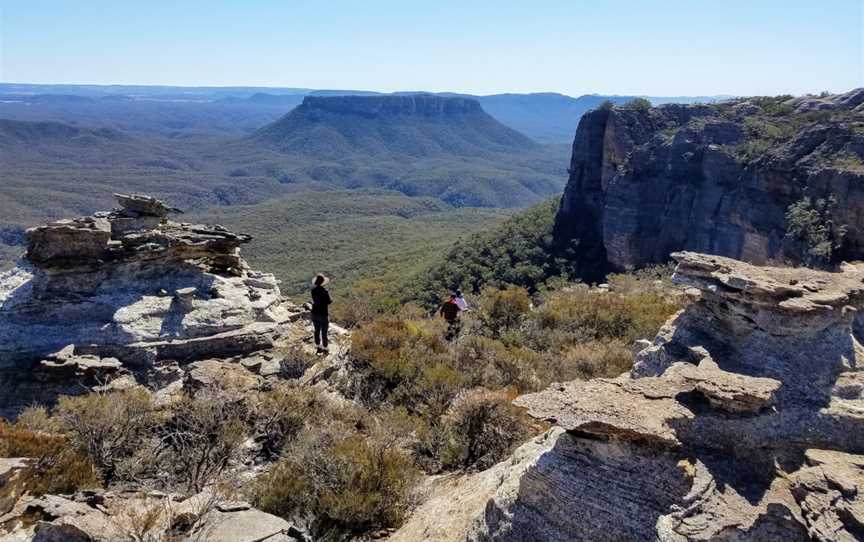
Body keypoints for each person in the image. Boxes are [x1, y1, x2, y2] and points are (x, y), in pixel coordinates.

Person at [311, 274, 332, 354]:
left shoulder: (313, 290)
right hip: (323, 314)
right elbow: (329, 301)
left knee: (316, 331)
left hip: (314, 313)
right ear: (323, 282)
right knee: (324, 332)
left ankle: (318, 347)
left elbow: (315, 299)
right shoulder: (325, 291)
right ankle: (325, 348)